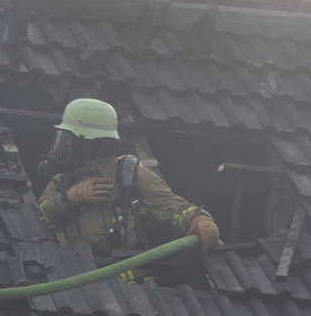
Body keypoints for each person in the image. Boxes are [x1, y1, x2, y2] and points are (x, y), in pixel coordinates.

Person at [36, 99, 220, 277]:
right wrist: (70, 198)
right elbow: (38, 219)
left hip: (131, 287)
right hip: (74, 282)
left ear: (88, 144)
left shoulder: (131, 175)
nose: (64, 146)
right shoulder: (62, 181)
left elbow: (176, 208)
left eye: (68, 140)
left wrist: (201, 219)